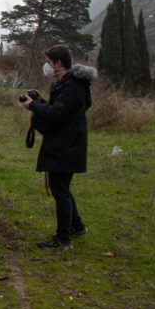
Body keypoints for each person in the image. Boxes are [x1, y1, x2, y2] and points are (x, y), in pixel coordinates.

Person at [22, 44, 96, 250]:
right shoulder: (67, 84)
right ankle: (77, 225)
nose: (46, 66)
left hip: (66, 145)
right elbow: (59, 109)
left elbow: (57, 114)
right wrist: (41, 101)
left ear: (59, 63)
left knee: (60, 191)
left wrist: (34, 106)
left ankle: (63, 238)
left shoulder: (72, 87)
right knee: (62, 188)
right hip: (66, 142)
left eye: (48, 62)